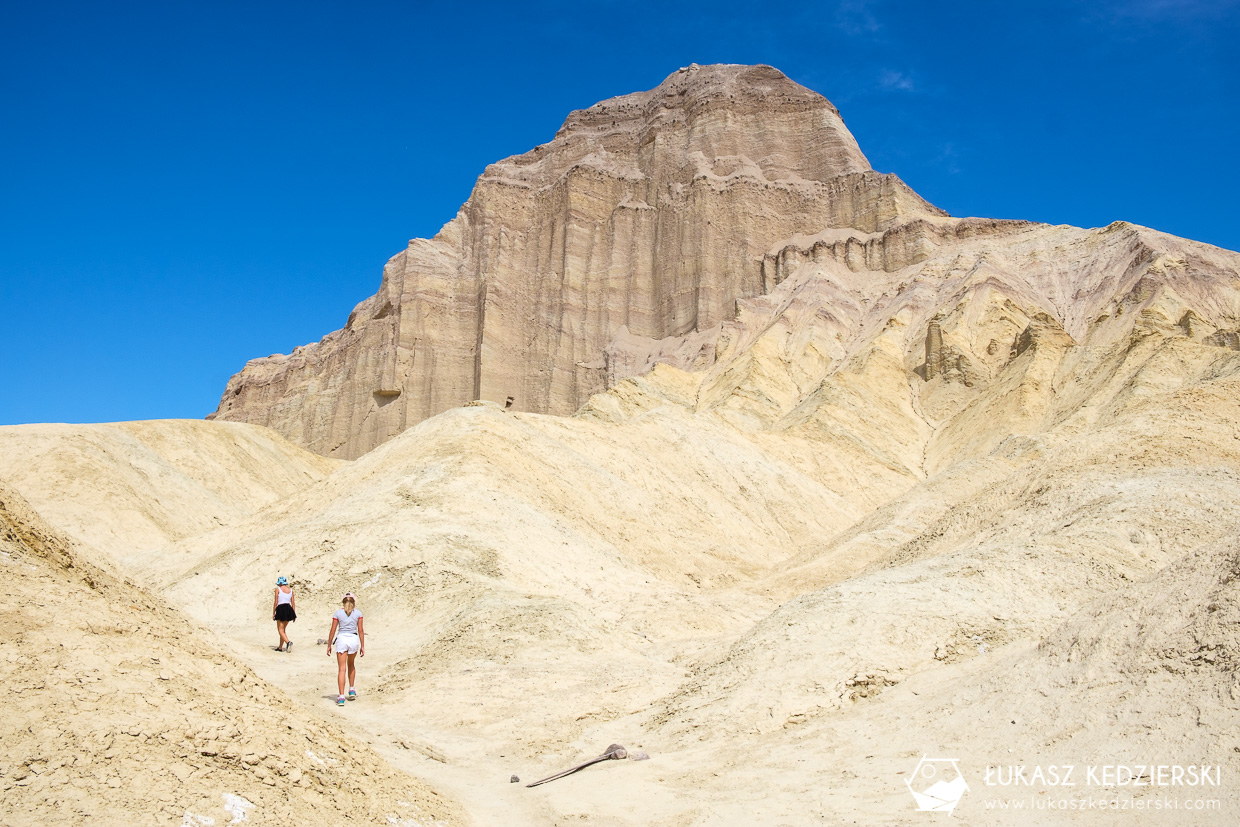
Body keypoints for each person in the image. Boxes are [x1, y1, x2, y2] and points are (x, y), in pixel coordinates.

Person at [326, 592, 364, 706]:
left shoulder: (338, 613)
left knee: (342, 669)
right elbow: (361, 630)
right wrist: (363, 646)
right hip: (353, 638)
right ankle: (351, 689)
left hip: (342, 639)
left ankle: (341, 696)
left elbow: (332, 630)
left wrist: (329, 645)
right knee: (351, 664)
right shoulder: (358, 613)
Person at [272, 576, 296, 651]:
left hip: (281, 609)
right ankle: (280, 647)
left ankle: (288, 642)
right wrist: (294, 614)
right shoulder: (291, 590)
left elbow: (276, 602)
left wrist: (273, 612)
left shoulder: (278, 589)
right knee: (283, 630)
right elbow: (293, 603)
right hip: (289, 609)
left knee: (280, 630)